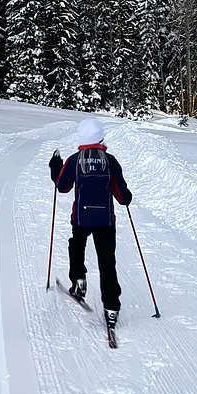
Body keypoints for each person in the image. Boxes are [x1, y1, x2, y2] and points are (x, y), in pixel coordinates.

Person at [49, 118, 132, 329]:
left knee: (76, 245)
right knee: (107, 261)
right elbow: (122, 196)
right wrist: (127, 197)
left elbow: (62, 186)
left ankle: (78, 281)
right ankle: (111, 307)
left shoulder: (75, 160)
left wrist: (55, 169)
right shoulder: (110, 161)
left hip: (81, 217)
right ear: (100, 139)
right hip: (105, 220)